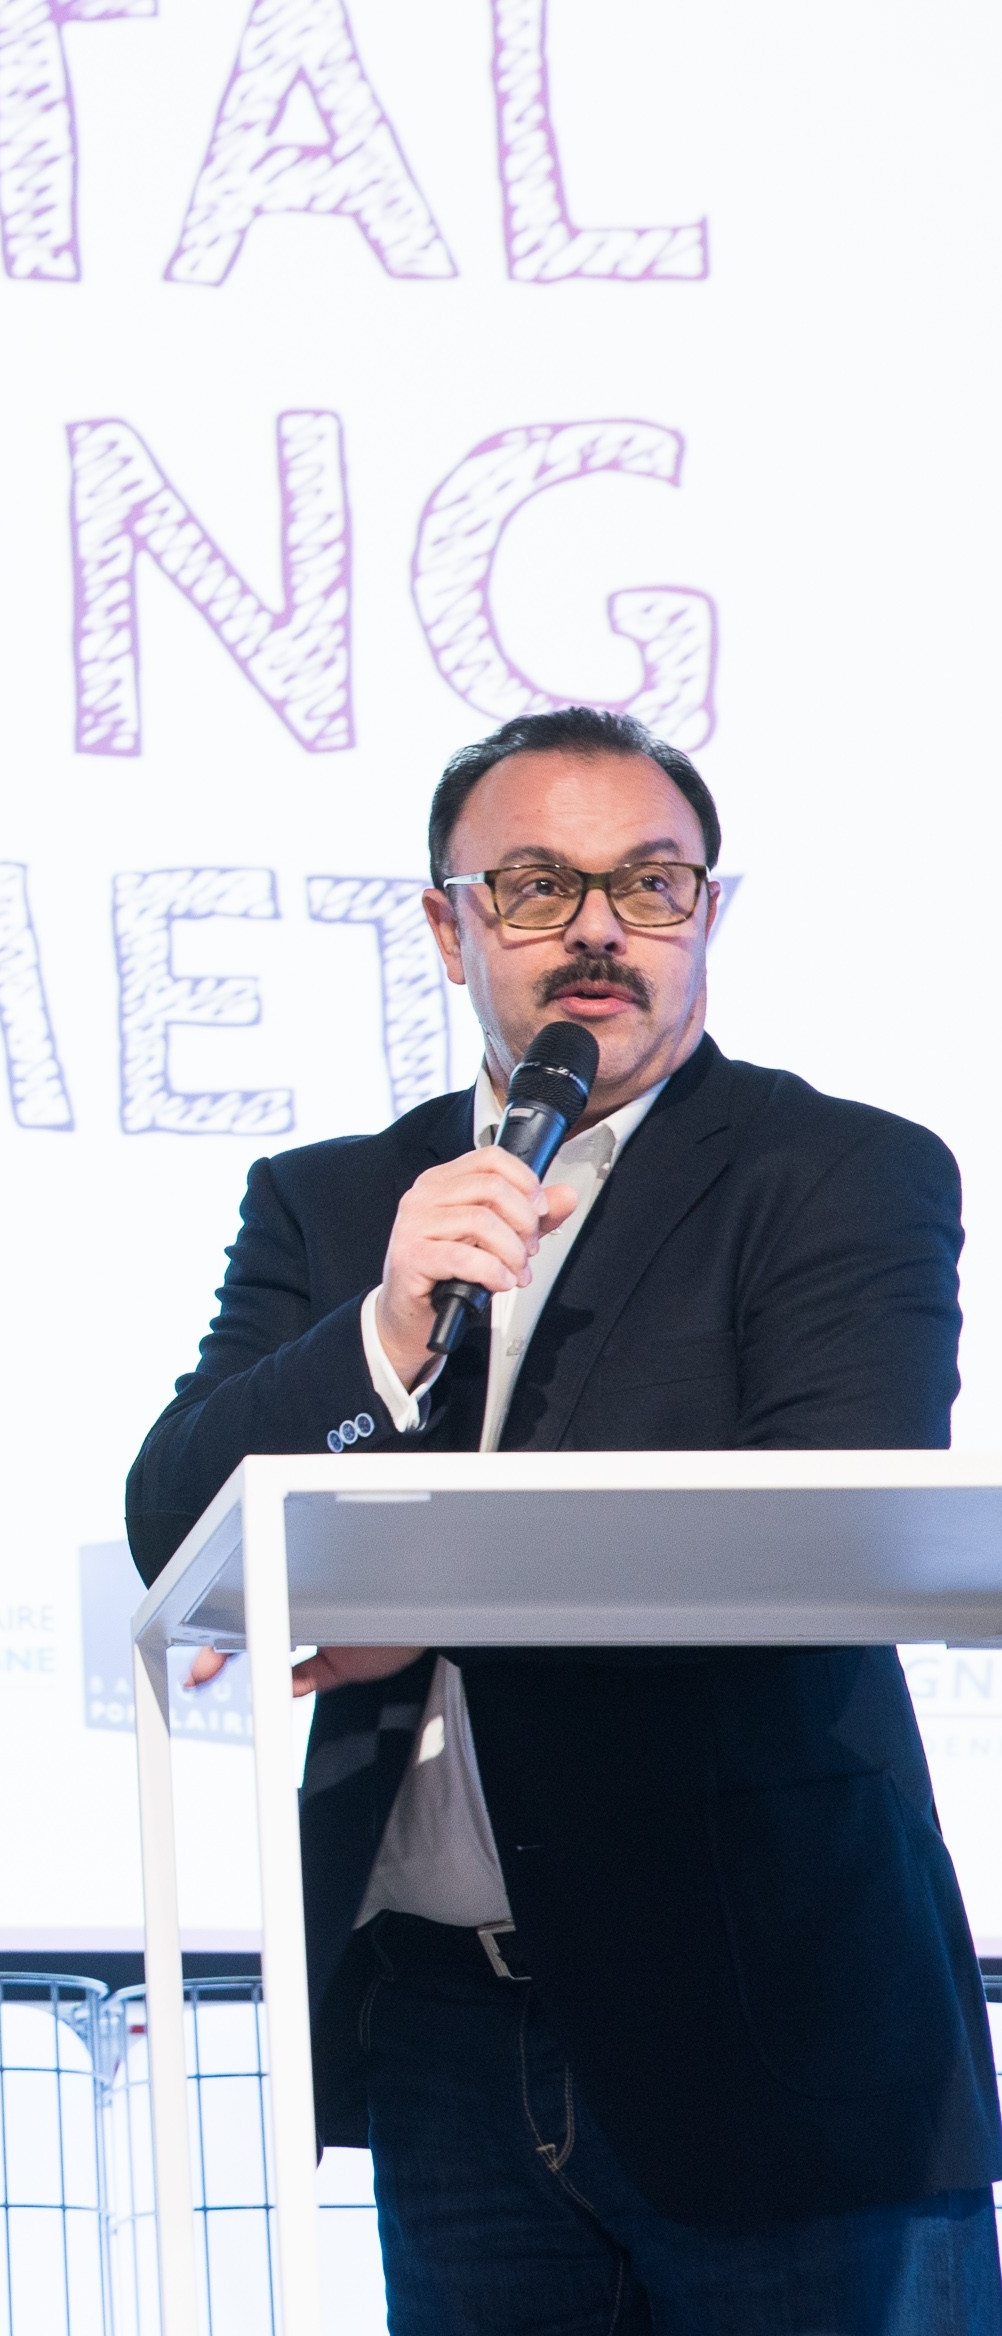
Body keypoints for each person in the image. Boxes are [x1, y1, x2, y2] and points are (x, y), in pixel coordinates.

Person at [126, 708, 1002, 2326]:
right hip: (444, 2030)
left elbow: (825, 1527)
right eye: (535, 887)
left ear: (706, 916)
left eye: (649, 884)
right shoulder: (335, 1199)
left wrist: (424, 1610)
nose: (598, 929)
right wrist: (384, 1327)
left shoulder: (838, 1171)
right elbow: (176, 1519)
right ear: (444, 923)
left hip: (772, 2013)